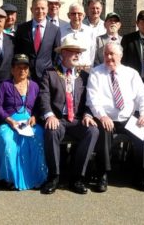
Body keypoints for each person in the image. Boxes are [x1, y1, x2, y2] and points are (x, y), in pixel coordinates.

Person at [87, 42, 144, 192]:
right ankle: (103, 174)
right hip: (106, 117)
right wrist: (102, 116)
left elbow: (143, 96)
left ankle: (140, 175)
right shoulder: (96, 73)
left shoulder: (131, 73)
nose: (109, 57)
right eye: (106, 54)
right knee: (103, 132)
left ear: (120, 56)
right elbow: (92, 99)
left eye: (112, 54)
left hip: (127, 117)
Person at [39, 43, 99, 195]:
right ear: (64, 53)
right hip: (58, 119)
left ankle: (77, 177)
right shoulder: (50, 73)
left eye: (79, 52)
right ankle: (54, 177)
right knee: (51, 131)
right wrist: (49, 115)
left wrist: (87, 114)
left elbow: (90, 99)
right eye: (74, 52)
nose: (78, 55)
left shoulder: (84, 76)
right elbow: (44, 96)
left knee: (93, 131)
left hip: (77, 119)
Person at [0, 54, 48, 190]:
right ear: (12, 70)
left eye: (25, 68)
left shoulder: (34, 86)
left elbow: (38, 106)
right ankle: (8, 179)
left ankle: (37, 177)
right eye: (18, 67)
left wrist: (34, 116)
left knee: (39, 136)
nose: (22, 70)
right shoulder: (5, 85)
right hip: (9, 122)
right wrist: (9, 120)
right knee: (7, 140)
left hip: (28, 123)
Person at [14, 0, 61, 82]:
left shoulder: (55, 30)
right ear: (31, 9)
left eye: (43, 8)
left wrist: (51, 71)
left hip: (47, 76)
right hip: (26, 75)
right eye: (37, 8)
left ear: (47, 9)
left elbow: (56, 54)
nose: (40, 11)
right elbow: (17, 51)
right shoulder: (22, 28)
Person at [59, 3, 94, 69]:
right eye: (73, 13)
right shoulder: (61, 31)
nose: (76, 16)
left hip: (85, 70)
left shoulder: (90, 32)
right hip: (66, 71)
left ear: (84, 15)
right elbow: (59, 53)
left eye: (79, 14)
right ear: (68, 15)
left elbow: (92, 53)